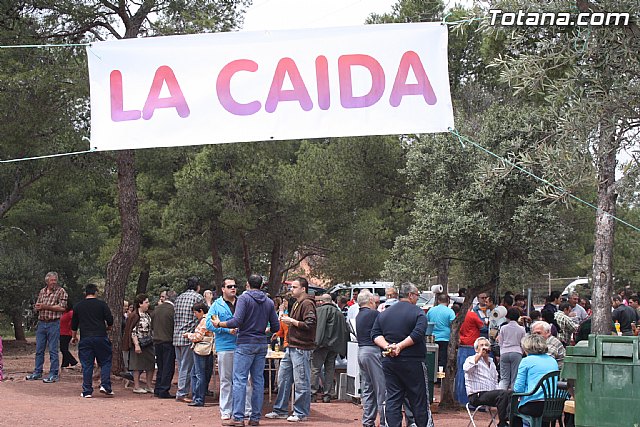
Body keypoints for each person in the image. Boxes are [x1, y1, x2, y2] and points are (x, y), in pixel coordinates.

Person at [212, 274, 280, 427]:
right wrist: (263, 330)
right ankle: (255, 418)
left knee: (239, 380)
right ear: (261, 286)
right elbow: (276, 327)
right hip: (261, 344)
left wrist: (219, 324)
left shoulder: (244, 298)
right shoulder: (269, 302)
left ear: (248, 284)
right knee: (258, 380)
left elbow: (237, 321)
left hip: (245, 343)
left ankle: (238, 417)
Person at [371, 283, 434, 427]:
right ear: (410, 295)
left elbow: (374, 334)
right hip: (413, 361)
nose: (417, 298)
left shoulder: (385, 313)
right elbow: (418, 334)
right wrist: (399, 346)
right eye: (417, 295)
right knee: (419, 399)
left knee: (393, 398)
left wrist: (388, 346)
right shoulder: (418, 313)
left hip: (390, 361)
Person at [266, 276, 317, 423]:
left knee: (301, 380)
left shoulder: (307, 303)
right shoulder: (298, 303)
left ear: (303, 288)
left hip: (301, 346)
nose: (291, 289)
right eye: (292, 287)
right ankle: (280, 409)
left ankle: (300, 412)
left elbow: (310, 324)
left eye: (294, 287)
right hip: (292, 346)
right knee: (283, 378)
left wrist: (292, 321)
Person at [207, 277, 251, 423]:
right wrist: (227, 330)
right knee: (226, 380)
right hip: (225, 346)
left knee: (246, 379)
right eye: (230, 286)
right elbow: (210, 325)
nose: (233, 288)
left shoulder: (242, 302)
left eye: (235, 286)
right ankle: (226, 410)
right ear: (223, 289)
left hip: (243, 345)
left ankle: (246, 409)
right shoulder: (216, 305)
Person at [71, 283, 115, 398]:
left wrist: (74, 336)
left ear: (85, 293)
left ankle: (87, 390)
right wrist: (109, 327)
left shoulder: (78, 306)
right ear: (95, 292)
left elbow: (74, 324)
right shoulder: (101, 304)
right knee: (105, 361)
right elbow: (110, 319)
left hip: (85, 338)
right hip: (100, 336)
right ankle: (105, 385)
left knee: (87, 364)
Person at [26, 271, 68, 383]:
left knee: (53, 349)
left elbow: (62, 308)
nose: (54, 282)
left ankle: (53, 374)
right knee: (39, 349)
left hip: (53, 323)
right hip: (41, 323)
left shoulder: (61, 291)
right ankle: (37, 372)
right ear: (47, 281)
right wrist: (37, 307)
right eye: (51, 280)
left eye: (55, 280)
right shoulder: (42, 291)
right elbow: (38, 305)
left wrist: (46, 306)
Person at [511, 334, 559, 427]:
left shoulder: (526, 361)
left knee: (512, 408)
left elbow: (518, 388)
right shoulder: (552, 360)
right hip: (553, 405)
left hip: (534, 405)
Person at [462, 337, 511, 427]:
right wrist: (479, 355)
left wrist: (501, 392)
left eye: (486, 345)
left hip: (491, 395)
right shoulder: (471, 359)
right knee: (503, 394)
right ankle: (503, 423)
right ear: (476, 349)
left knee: (510, 393)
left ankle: (510, 420)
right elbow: (466, 368)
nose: (484, 347)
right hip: (476, 395)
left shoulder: (491, 362)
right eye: (481, 345)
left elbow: (495, 381)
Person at [355, 290, 386, 427]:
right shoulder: (374, 314)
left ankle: (368, 421)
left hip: (361, 351)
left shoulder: (358, 315)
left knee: (367, 388)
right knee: (381, 388)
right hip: (373, 351)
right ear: (370, 301)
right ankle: (385, 421)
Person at [173, 277, 205, 402]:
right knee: (186, 366)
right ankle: (182, 392)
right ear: (198, 286)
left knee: (181, 365)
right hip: (189, 336)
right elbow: (204, 314)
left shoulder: (178, 298)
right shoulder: (197, 298)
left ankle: (183, 390)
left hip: (176, 335)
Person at [311, 293, 348, 402]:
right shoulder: (339, 313)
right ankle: (327, 394)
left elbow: (319, 328)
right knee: (329, 369)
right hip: (334, 346)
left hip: (321, 344)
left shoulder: (320, 311)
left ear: (322, 301)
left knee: (315, 368)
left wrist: (316, 343)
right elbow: (343, 330)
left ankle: (312, 393)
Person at [183, 302, 214, 407]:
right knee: (197, 373)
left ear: (201, 311)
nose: (195, 315)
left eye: (195, 312)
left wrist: (188, 335)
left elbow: (198, 337)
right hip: (207, 349)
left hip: (201, 349)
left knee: (199, 374)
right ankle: (197, 397)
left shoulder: (204, 321)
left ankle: (199, 398)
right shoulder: (210, 318)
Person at [123, 294, 155, 393]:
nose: (148, 304)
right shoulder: (135, 315)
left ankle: (149, 385)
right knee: (136, 365)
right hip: (138, 342)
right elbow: (132, 331)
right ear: (140, 304)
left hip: (148, 342)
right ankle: (136, 386)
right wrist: (136, 344)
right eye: (146, 302)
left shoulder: (148, 314)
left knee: (151, 364)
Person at [152, 289, 176, 399]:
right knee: (168, 366)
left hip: (157, 341)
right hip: (168, 341)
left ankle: (158, 387)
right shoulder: (173, 310)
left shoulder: (157, 309)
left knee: (160, 366)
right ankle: (164, 389)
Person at [497, 308, 525, 390]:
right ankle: (512, 399)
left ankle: (500, 397)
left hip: (504, 353)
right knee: (514, 378)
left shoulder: (503, 328)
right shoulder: (521, 329)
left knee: (504, 379)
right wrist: (521, 352)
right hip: (517, 353)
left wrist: (502, 350)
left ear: (507, 317)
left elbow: (500, 342)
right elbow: (523, 343)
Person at [427, 293, 455, 373]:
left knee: (433, 359)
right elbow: (453, 324)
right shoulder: (450, 312)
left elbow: (427, 322)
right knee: (442, 360)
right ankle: (440, 378)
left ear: (438, 300)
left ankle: (432, 376)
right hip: (445, 338)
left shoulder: (431, 310)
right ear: (448, 301)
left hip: (432, 338)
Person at [60, 305, 78, 370]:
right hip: (62, 332)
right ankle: (65, 364)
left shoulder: (71, 313)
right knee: (64, 348)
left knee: (63, 349)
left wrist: (74, 334)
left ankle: (73, 361)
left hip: (67, 333)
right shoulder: (63, 313)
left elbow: (74, 321)